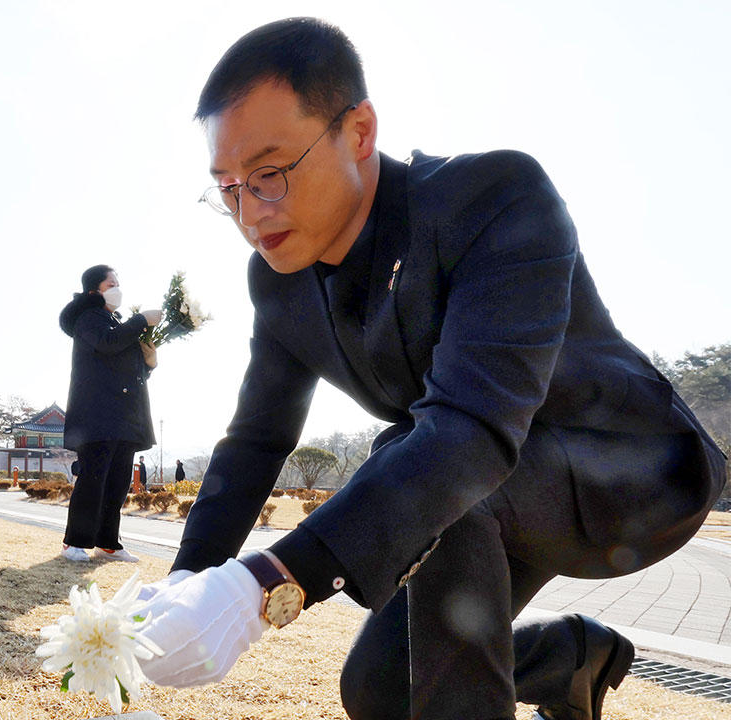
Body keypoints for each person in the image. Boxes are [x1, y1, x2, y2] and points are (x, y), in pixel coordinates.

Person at [135, 18, 727, 720]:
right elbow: (257, 440)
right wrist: (187, 583)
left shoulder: (494, 196)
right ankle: (570, 659)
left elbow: (469, 429)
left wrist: (265, 583)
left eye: (270, 174)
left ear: (359, 131)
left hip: (632, 473)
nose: (249, 212)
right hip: (482, 490)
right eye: (228, 187)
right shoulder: (278, 282)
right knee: (381, 690)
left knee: (432, 466)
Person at [57, 264, 163, 564]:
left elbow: (126, 366)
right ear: (94, 290)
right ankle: (75, 542)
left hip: (123, 416)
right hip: (97, 414)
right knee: (93, 479)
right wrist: (141, 320)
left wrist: (149, 363)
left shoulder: (115, 321)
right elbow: (107, 344)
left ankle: (108, 543)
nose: (117, 289)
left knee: (117, 484)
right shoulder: (89, 317)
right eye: (111, 284)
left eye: (118, 283)